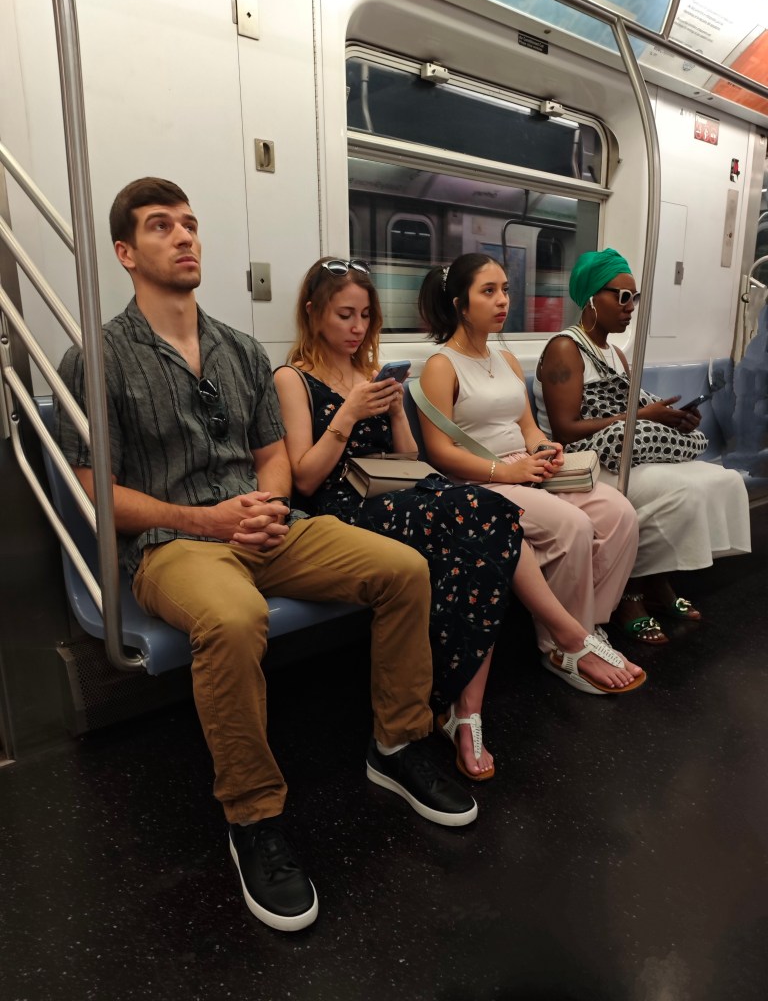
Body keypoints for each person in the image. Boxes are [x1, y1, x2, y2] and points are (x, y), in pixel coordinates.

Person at [54, 178, 478, 935]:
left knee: (403, 569)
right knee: (233, 618)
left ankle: (397, 742)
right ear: (125, 253)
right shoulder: (98, 356)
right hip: (171, 544)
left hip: (262, 528)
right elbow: (96, 490)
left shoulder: (240, 350)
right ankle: (253, 816)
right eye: (160, 227)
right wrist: (208, 520)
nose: (184, 236)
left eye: (190, 223)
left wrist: (267, 506)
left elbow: (272, 458)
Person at [275, 260, 644, 783]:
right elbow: (306, 480)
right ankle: (568, 634)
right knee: (488, 513)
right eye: (344, 315)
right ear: (313, 314)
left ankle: (466, 708)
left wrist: (395, 412)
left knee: (492, 523)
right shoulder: (292, 379)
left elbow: (408, 457)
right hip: (345, 504)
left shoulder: (367, 372)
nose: (358, 328)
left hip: (398, 489)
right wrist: (349, 414)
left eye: (366, 316)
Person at [416, 253, 645, 694]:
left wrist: (543, 449)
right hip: (481, 481)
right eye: (488, 291)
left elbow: (527, 425)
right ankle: (560, 647)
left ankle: (589, 627)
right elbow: (440, 453)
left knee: (619, 513)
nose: (503, 300)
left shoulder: (504, 358)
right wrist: (507, 471)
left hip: (526, 469)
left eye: (505, 289)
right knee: (573, 526)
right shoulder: (441, 366)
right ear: (460, 304)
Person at [534, 247, 751, 643]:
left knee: (719, 480)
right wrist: (637, 419)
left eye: (634, 298)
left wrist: (672, 418)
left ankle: (657, 579)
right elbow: (565, 431)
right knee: (681, 492)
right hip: (586, 461)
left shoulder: (616, 354)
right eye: (621, 296)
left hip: (624, 453)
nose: (629, 306)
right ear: (591, 299)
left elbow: (633, 408)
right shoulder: (565, 348)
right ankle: (629, 591)